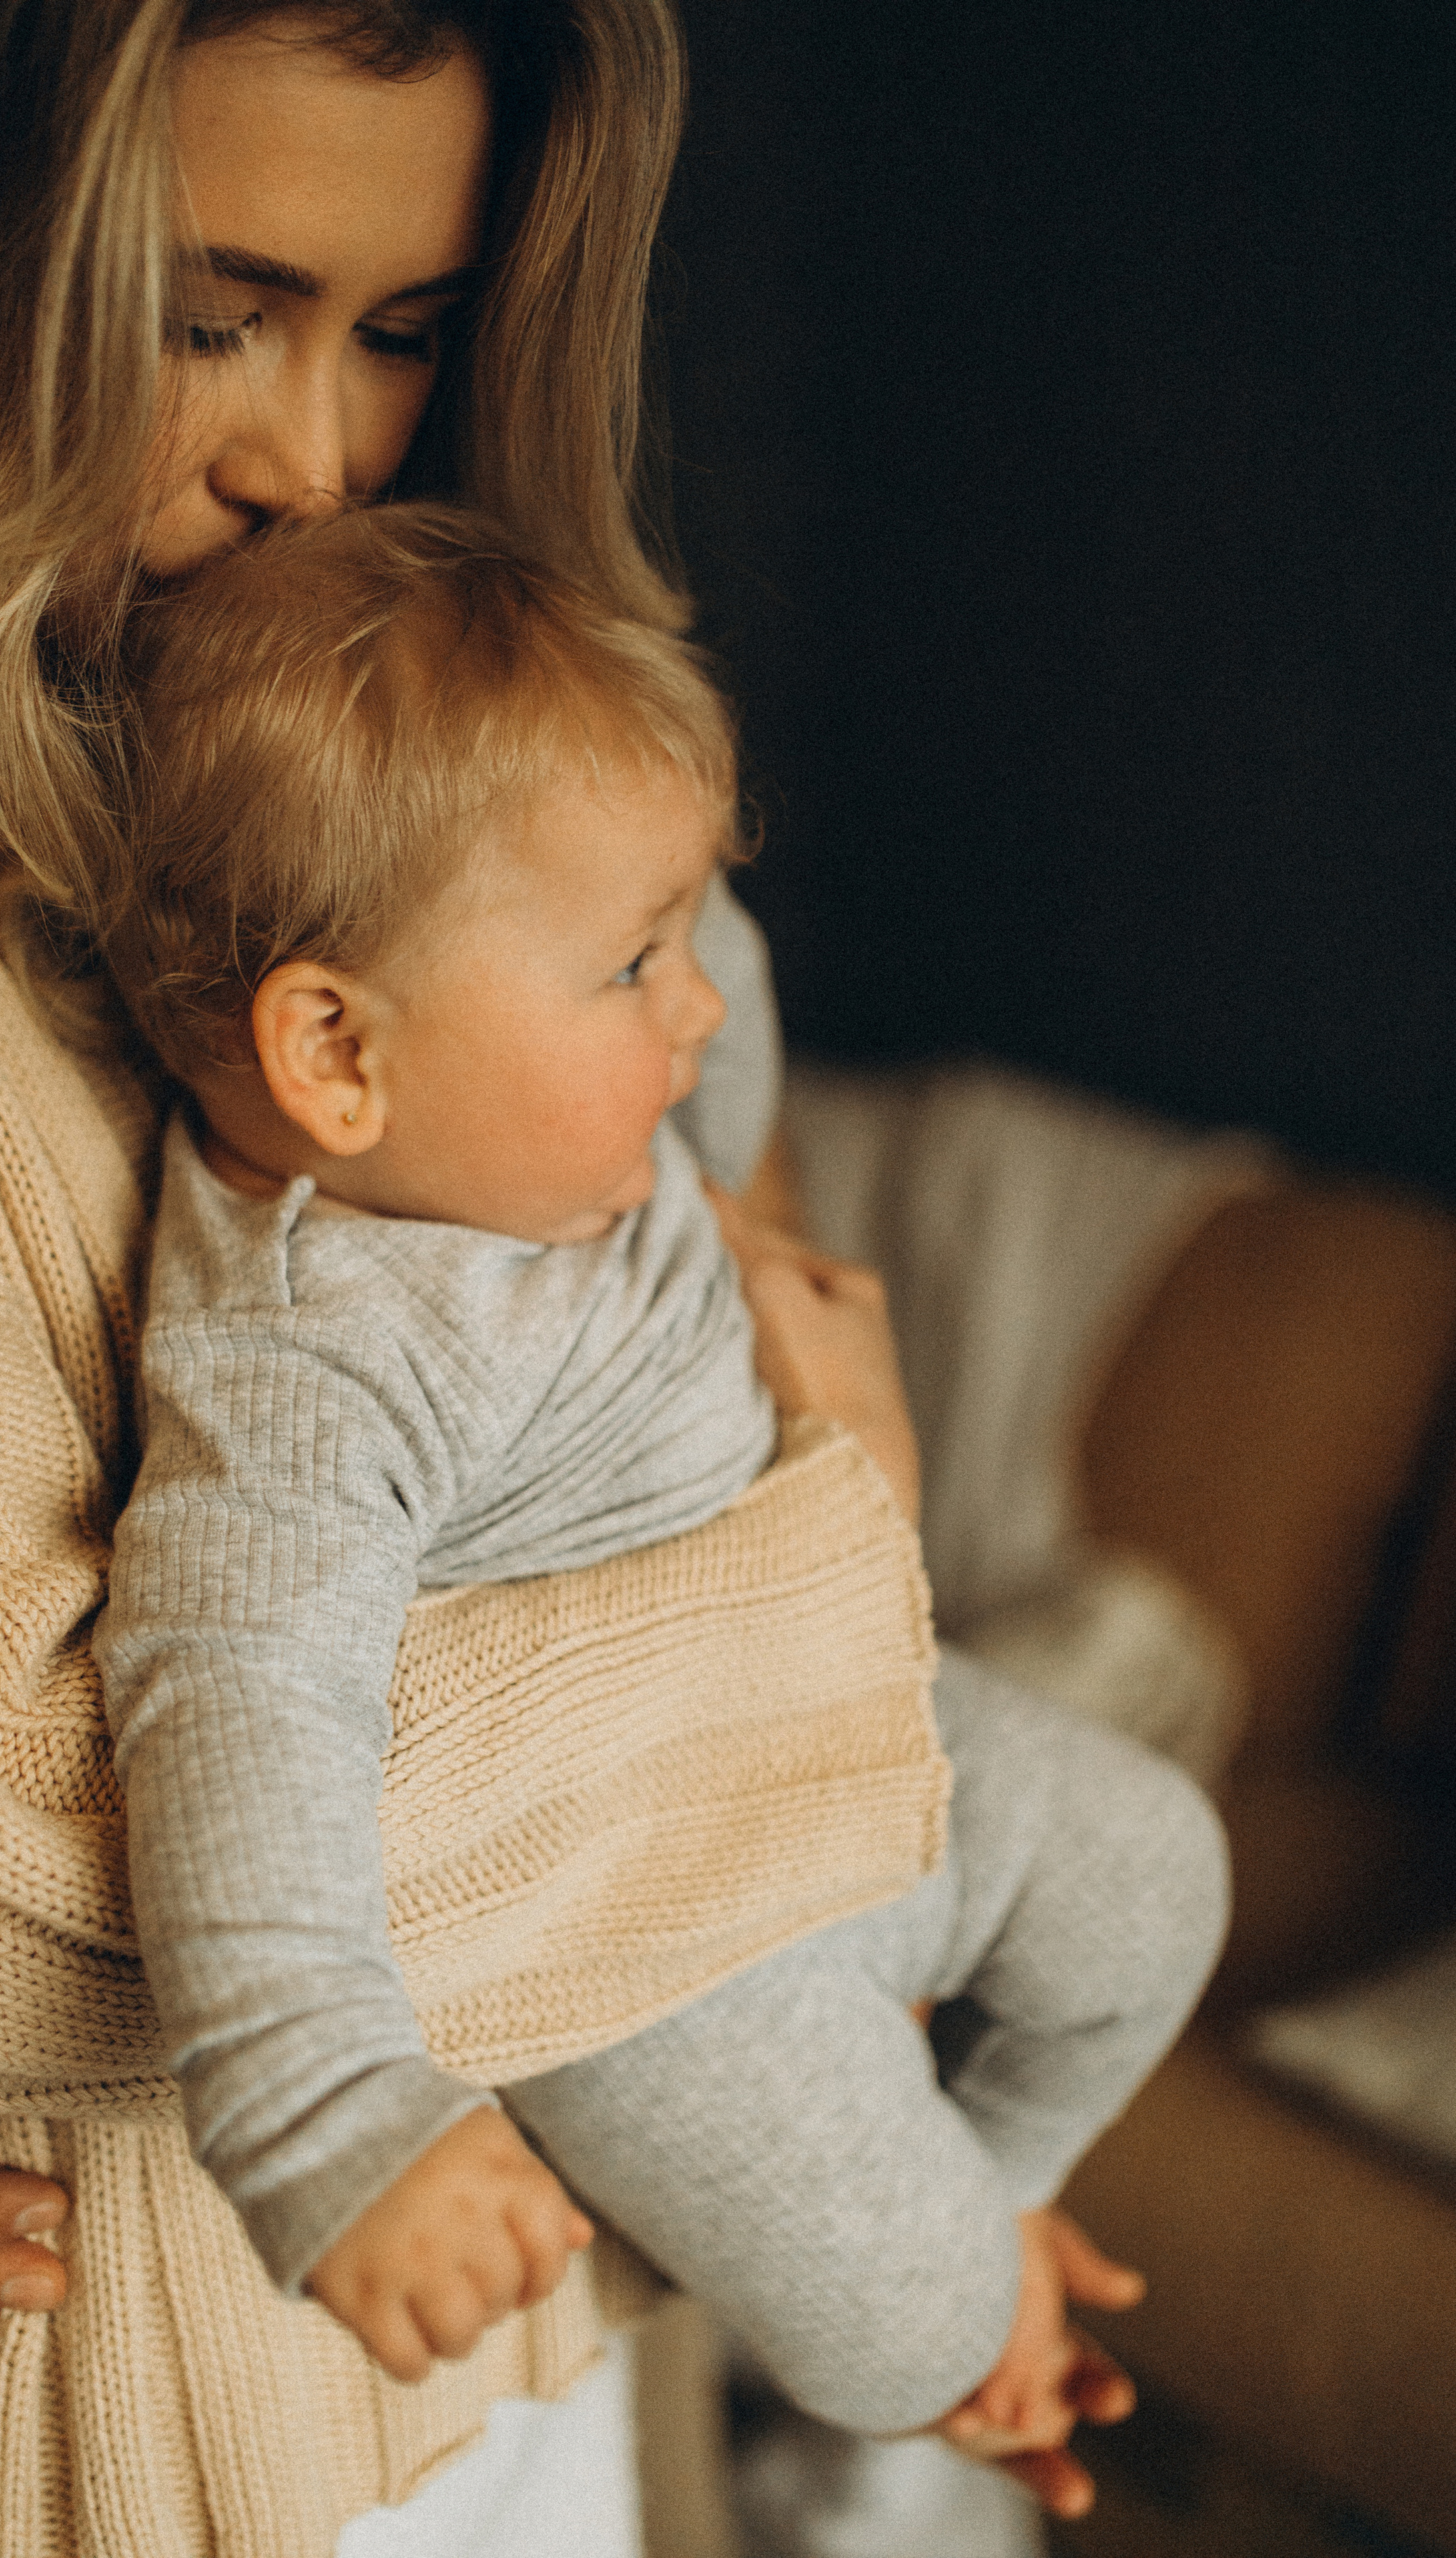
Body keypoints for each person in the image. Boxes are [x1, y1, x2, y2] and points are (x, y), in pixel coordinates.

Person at [0, 1, 1238, 2547]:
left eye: (404, 333)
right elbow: (23, 1886)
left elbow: (706, 1158)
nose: (309, 456)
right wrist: (813, 1591)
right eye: (207, 314)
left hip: (574, 2313)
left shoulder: (408, 720)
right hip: (163, 2384)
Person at [91, 503, 1227, 2448]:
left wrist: (658, 907)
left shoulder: (524, 1127)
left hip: (828, 1725)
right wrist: (330, 2117)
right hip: (647, 1939)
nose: (694, 1010)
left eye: (685, 935)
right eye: (634, 967)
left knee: (1155, 1879)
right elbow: (233, 1711)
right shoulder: (315, 1360)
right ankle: (972, 2286)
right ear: (336, 1054)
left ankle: (1000, 2187)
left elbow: (711, 1011)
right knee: (911, 2332)